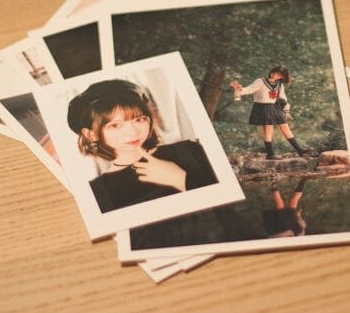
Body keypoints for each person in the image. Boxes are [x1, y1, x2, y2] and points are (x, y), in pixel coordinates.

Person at [67, 79, 217, 213]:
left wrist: (179, 178)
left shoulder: (189, 151)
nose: (133, 132)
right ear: (90, 134)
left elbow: (228, 210)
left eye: (139, 119)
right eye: (115, 125)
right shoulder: (99, 192)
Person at [230, 66, 312, 160]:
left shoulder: (279, 84)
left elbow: (282, 97)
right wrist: (239, 89)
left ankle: (300, 150)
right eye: (275, 72)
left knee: (285, 127)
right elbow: (249, 89)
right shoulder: (260, 81)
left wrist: (286, 109)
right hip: (263, 107)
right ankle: (270, 154)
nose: (276, 75)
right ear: (272, 71)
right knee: (268, 129)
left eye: (279, 75)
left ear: (282, 77)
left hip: (275, 106)